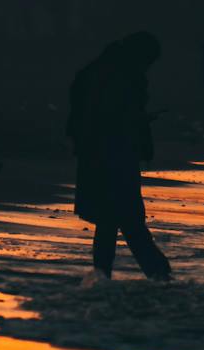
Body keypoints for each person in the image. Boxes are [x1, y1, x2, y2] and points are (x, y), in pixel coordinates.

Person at [68, 30, 173, 282]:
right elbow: (113, 117)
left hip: (96, 154)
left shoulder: (101, 70)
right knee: (129, 219)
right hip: (113, 154)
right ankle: (159, 275)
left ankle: (103, 276)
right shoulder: (120, 76)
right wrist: (139, 124)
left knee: (109, 220)